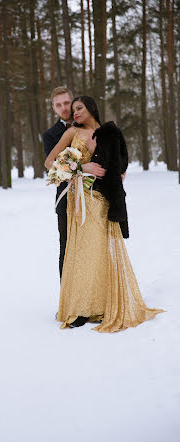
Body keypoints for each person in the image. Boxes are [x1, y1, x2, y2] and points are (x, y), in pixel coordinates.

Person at [45, 95, 164, 333]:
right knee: (80, 252)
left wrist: (113, 169)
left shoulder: (109, 133)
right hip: (78, 201)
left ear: (91, 109)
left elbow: (119, 166)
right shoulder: (71, 134)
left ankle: (101, 306)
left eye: (79, 108)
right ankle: (79, 309)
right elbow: (50, 162)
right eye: (73, 108)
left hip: (102, 200)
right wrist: (82, 166)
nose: (74, 112)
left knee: (101, 252)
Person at [43, 87, 106, 279]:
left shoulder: (92, 125)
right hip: (67, 199)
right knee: (68, 249)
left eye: (66, 103)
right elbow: (52, 167)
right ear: (53, 108)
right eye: (58, 105)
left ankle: (95, 300)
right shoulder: (50, 135)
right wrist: (82, 168)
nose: (63, 108)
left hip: (96, 197)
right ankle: (68, 304)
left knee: (96, 249)